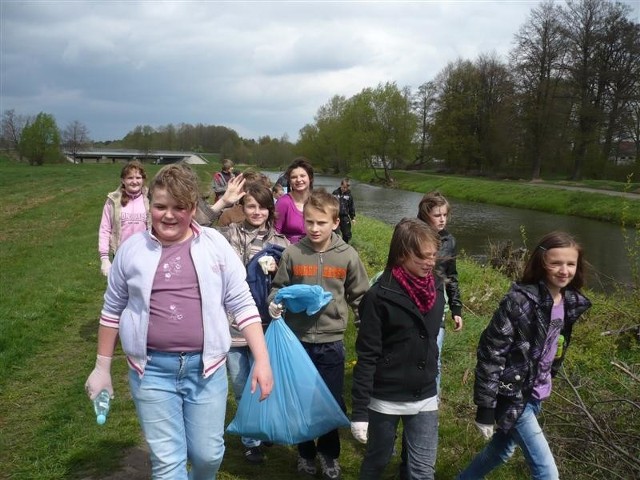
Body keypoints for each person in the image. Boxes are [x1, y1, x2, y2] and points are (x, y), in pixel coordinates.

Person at [84, 163, 273, 479]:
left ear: (192, 208)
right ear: (150, 205)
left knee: (209, 456)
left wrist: (263, 361)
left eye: (178, 207)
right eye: (160, 206)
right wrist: (102, 368)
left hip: (207, 370)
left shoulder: (215, 246)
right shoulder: (132, 251)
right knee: (168, 463)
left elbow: (242, 304)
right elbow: (111, 310)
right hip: (152, 372)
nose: (168, 215)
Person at [457, 231, 592, 480]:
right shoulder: (520, 301)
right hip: (512, 394)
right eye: (556, 263)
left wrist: (548, 376)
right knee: (547, 473)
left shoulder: (570, 302)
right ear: (542, 263)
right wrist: (486, 406)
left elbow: (555, 347)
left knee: (499, 453)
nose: (564, 270)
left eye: (570, 264)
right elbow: (491, 352)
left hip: (537, 393)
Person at [268, 189, 369, 480]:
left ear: (335, 223)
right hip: (297, 340)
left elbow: (361, 297)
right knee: (300, 399)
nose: (314, 228)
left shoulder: (347, 256)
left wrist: (368, 330)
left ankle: (329, 454)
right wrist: (274, 304)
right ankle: (305, 453)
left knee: (329, 401)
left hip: (330, 342)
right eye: (309, 222)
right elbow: (278, 288)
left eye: (321, 223)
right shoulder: (293, 252)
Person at [351, 218, 445, 480]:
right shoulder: (378, 297)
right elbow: (367, 355)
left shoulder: (437, 286)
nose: (431, 262)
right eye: (423, 257)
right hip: (385, 399)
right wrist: (359, 411)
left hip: (424, 394)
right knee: (377, 462)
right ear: (402, 255)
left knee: (422, 471)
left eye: (433, 256)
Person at [218, 182, 290, 464]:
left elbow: (290, 281)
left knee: (266, 382)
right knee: (239, 384)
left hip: (266, 324)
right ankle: (251, 440)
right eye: (250, 206)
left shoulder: (282, 242)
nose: (256, 211)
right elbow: (197, 224)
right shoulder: (229, 234)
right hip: (233, 323)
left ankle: (266, 426)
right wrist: (223, 202)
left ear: (270, 209)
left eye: (262, 206)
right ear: (242, 208)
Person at [417, 191, 463, 391]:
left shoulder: (449, 241)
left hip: (437, 302)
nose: (443, 219)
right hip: (412, 299)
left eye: (445, 215)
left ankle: (431, 400)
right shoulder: (412, 234)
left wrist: (456, 309)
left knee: (434, 355)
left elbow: (451, 276)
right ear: (426, 215)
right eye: (437, 215)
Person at [98, 160, 150, 276]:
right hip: (120, 255)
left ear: (143, 179)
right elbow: (105, 229)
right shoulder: (113, 201)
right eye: (130, 178)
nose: (134, 181)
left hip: (145, 254)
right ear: (123, 180)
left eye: (138, 177)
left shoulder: (150, 199)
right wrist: (104, 258)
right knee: (121, 292)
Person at [274, 157, 314, 243]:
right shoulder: (283, 203)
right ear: (289, 181)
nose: (299, 180)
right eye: (294, 177)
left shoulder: (318, 201)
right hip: (288, 251)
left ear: (310, 177)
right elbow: (275, 233)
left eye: (302, 176)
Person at [332, 178, 356, 244]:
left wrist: (353, 218)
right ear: (341, 185)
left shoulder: (349, 195)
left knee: (346, 234)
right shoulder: (335, 193)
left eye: (346, 188)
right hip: (335, 216)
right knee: (335, 232)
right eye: (344, 187)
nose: (345, 189)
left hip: (344, 217)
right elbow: (330, 203)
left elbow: (351, 206)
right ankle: (334, 245)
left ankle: (345, 245)